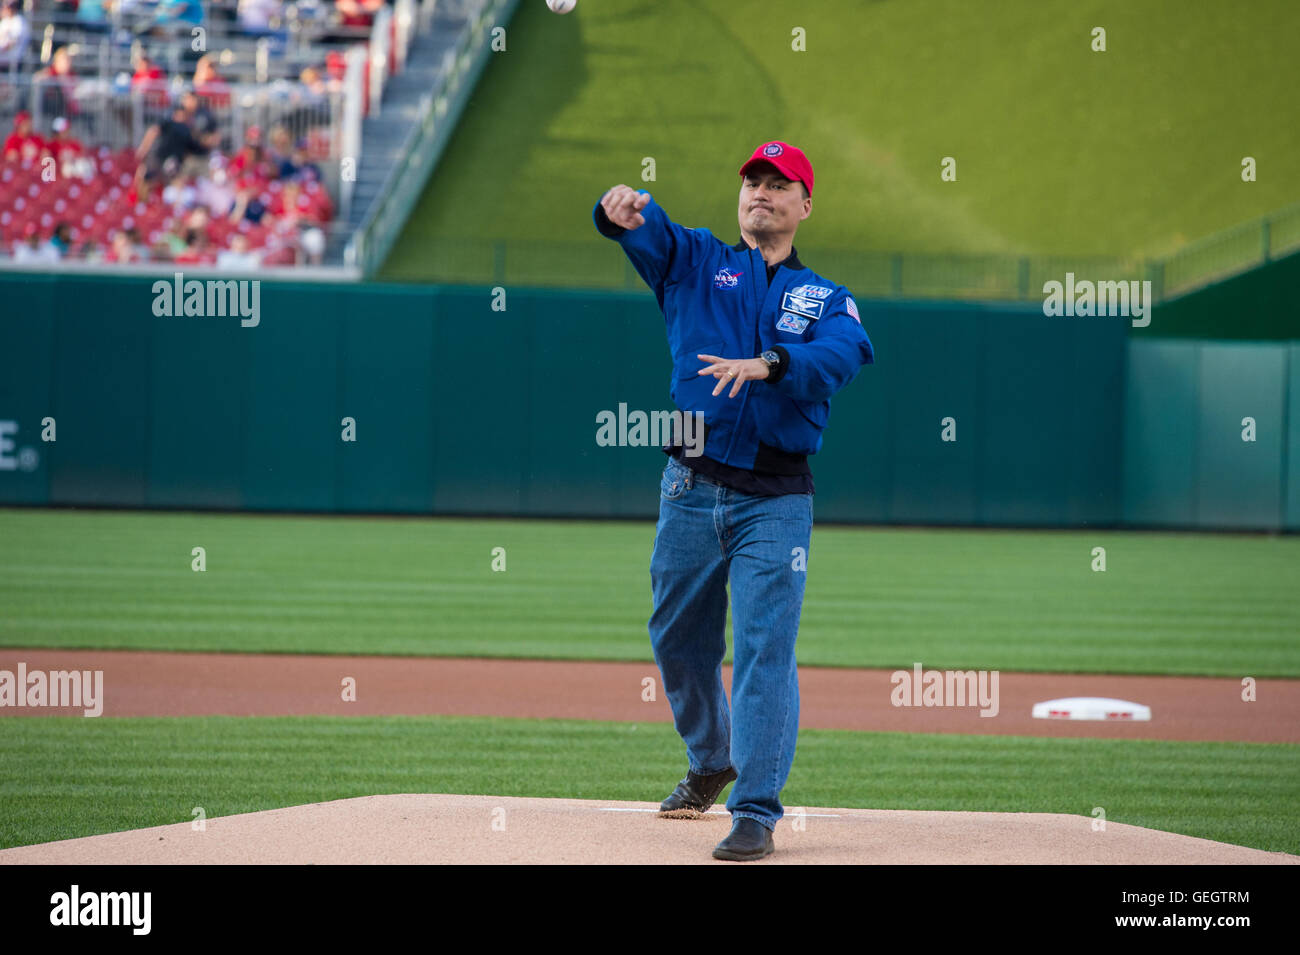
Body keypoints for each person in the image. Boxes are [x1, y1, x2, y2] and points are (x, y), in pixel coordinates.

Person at [593, 142, 875, 862]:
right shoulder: (694, 262)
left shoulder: (825, 298)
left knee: (763, 650)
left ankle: (754, 808)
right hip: (689, 485)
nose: (761, 192)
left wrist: (774, 363)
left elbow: (841, 356)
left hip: (776, 499)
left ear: (804, 205)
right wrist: (615, 212)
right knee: (676, 637)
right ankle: (711, 756)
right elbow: (644, 234)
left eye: (779, 184)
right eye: (753, 180)